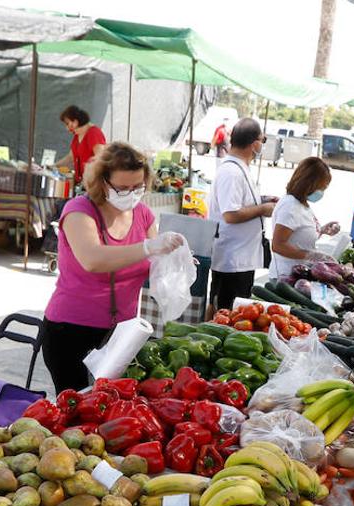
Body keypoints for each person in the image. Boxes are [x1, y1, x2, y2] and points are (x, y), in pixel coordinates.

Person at [40, 142, 184, 392]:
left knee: (112, 405)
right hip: (71, 330)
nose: (131, 193)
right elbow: (93, 260)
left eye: (137, 187)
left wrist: (173, 259)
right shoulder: (79, 211)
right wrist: (149, 247)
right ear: (102, 182)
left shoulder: (143, 215)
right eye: (122, 188)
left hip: (122, 335)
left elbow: (152, 261)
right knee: (76, 410)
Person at [207, 118, 273, 311]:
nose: (262, 144)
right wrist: (262, 209)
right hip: (232, 259)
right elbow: (231, 214)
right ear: (254, 144)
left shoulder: (239, 167)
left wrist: (263, 200)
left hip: (241, 258)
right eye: (263, 140)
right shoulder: (231, 172)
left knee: (235, 310)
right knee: (225, 311)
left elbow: (239, 202)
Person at [270, 157, 339, 280]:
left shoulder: (302, 204)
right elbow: (278, 245)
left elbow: (299, 234)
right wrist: (311, 255)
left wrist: (322, 230)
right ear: (309, 184)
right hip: (286, 276)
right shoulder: (290, 206)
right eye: (322, 187)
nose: (322, 192)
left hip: (300, 274)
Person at [56, 105, 106, 186]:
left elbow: (100, 157)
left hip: (93, 184)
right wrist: (53, 166)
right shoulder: (77, 136)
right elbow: (70, 157)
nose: (67, 128)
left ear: (75, 122)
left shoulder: (94, 133)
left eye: (68, 124)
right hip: (81, 183)